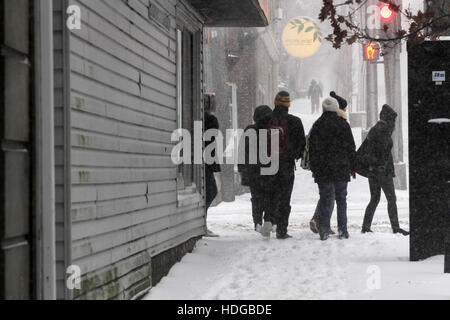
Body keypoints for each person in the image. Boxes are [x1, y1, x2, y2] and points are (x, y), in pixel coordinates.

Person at [309, 95, 356, 241]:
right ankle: (343, 230)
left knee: (325, 199)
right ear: (336, 108)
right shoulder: (343, 124)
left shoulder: (317, 125)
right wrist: (352, 166)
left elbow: (312, 150)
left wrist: (315, 169)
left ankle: (324, 230)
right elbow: (351, 147)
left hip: (323, 171)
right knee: (341, 200)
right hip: (341, 169)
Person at [360, 105, 410, 236]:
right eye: (393, 120)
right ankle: (396, 227)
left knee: (375, 198)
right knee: (391, 198)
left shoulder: (374, 129)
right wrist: (381, 166)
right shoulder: (383, 130)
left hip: (373, 171)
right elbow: (383, 151)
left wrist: (372, 166)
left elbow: (368, 149)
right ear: (388, 119)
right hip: (382, 171)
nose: (394, 123)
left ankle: (366, 226)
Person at [265, 91, 306, 239]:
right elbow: (302, 144)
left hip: (267, 164)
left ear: (275, 102)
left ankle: (268, 221)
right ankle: (281, 229)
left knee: (269, 194)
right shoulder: (294, 121)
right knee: (284, 198)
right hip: (285, 166)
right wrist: (293, 155)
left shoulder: (265, 120)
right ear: (288, 105)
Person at [238, 106, 274, 233]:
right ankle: (269, 220)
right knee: (270, 196)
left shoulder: (250, 130)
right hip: (269, 170)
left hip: (253, 171)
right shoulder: (271, 131)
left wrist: (241, 168)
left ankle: (257, 222)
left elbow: (242, 151)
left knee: (257, 198)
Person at [204, 95, 221, 238]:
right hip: (205, 160)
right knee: (211, 191)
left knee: (209, 191)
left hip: (202, 159)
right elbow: (211, 142)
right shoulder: (210, 120)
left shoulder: (200, 119)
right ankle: (201, 221)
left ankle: (201, 221)